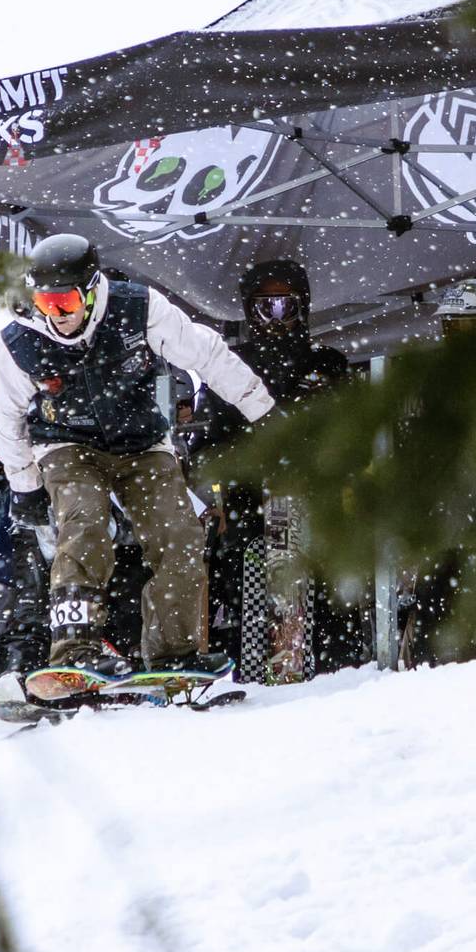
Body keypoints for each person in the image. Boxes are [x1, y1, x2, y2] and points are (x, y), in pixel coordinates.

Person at [0, 233, 273, 683]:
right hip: (65, 443)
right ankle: (76, 646)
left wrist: (262, 411)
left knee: (178, 535)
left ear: (93, 289)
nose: (56, 316)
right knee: (84, 522)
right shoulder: (19, 341)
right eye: (45, 303)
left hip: (141, 441)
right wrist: (24, 486)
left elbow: (207, 353)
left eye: (65, 303)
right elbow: (8, 416)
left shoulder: (138, 309)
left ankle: (173, 651)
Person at [183, 259, 361, 675]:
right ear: (249, 311)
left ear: (304, 307)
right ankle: (252, 658)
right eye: (267, 309)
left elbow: (350, 430)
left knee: (328, 582)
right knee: (246, 576)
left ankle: (333, 664)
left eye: (287, 307)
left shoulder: (327, 362)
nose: (277, 319)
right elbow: (207, 445)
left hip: (314, 489)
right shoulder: (229, 363)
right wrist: (216, 496)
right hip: (249, 495)